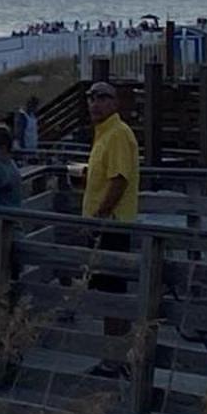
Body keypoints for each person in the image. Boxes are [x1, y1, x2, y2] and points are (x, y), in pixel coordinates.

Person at [80, 80, 138, 377]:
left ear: (115, 102)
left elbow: (119, 179)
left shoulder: (117, 134)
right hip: (104, 224)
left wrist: (99, 215)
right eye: (91, 97)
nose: (95, 103)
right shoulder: (103, 134)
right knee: (108, 292)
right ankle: (117, 355)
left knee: (111, 294)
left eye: (102, 97)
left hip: (111, 226)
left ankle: (114, 359)